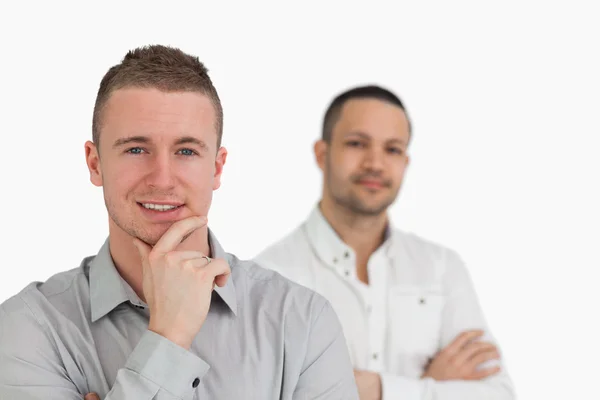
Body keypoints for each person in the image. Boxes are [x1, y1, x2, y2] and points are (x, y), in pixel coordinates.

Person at [0, 45, 359, 400]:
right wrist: (168, 337)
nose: (162, 178)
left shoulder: (303, 322)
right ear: (95, 163)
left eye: (186, 151)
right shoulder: (27, 327)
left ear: (217, 168)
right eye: (136, 149)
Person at [254, 85, 516, 400]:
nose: (375, 163)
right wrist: (431, 385)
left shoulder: (441, 268)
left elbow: (498, 394)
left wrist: (376, 389)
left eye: (392, 149)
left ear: (406, 162)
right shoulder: (270, 279)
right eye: (356, 144)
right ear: (322, 154)